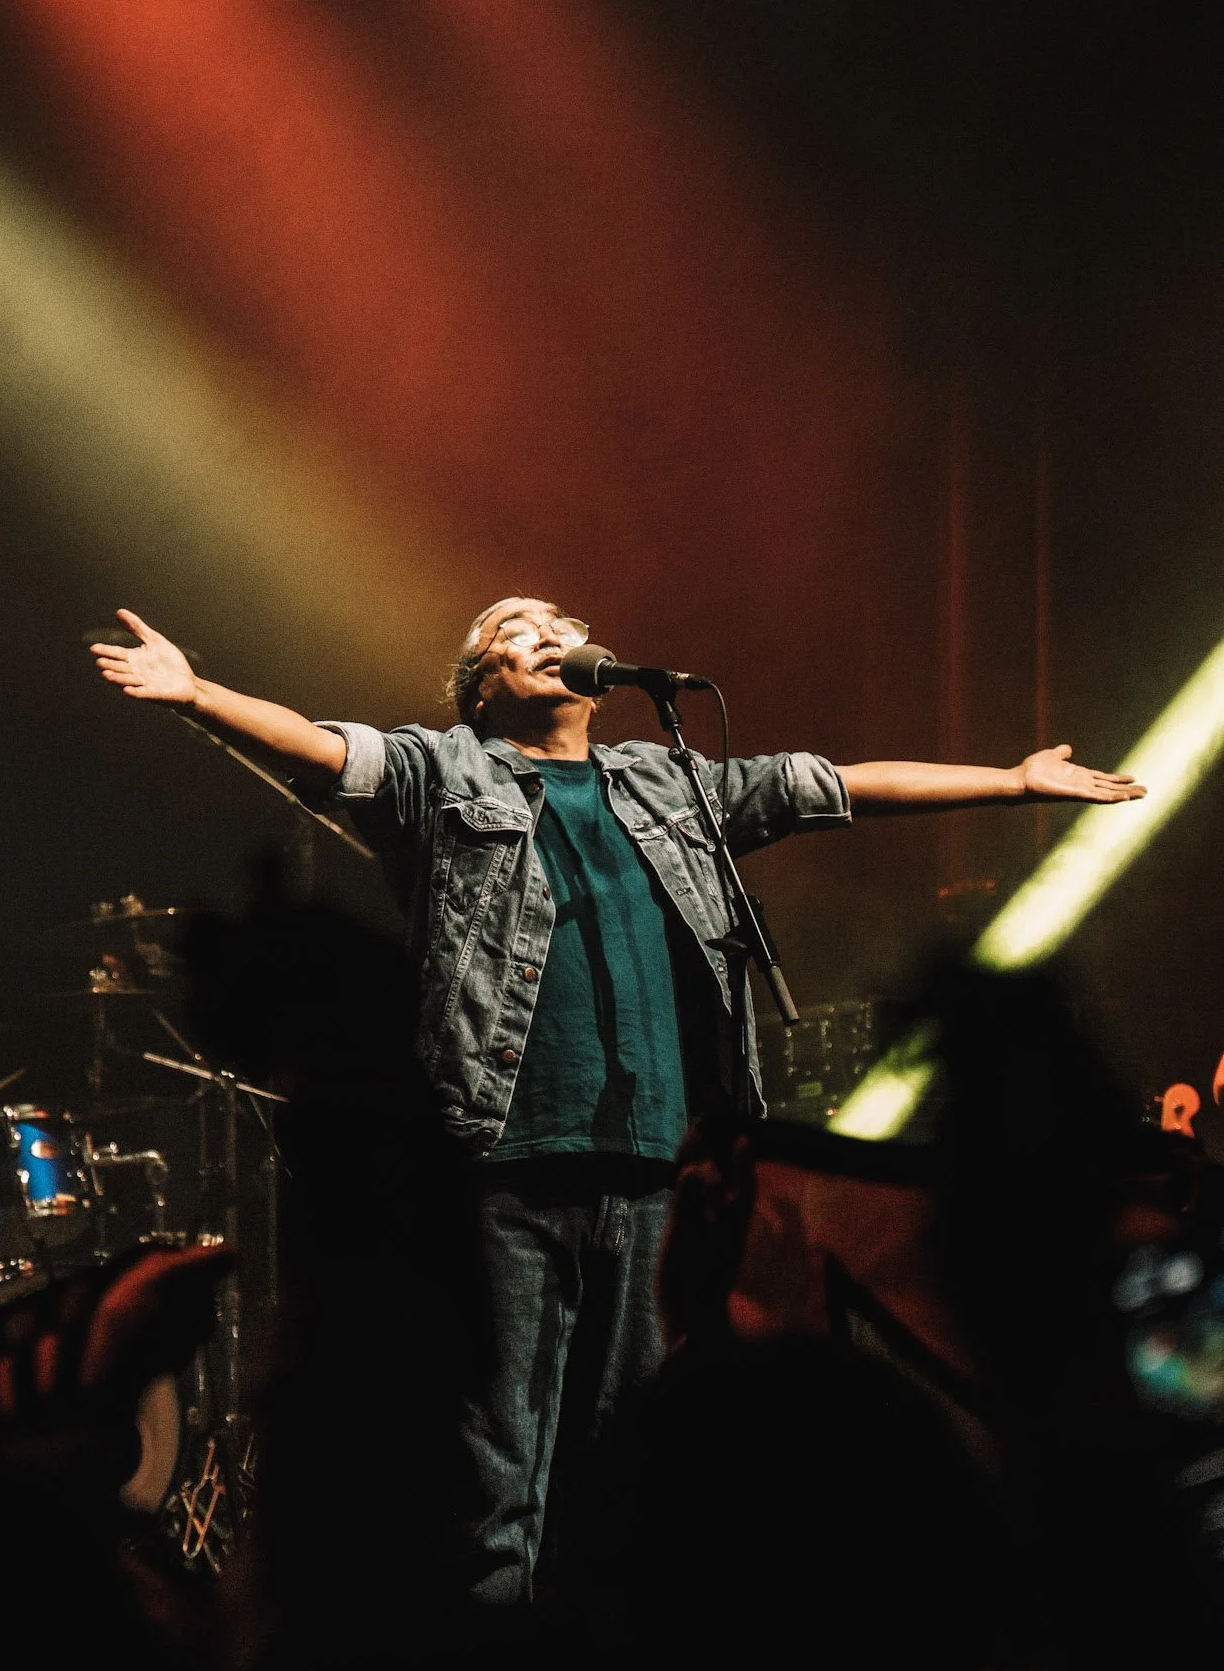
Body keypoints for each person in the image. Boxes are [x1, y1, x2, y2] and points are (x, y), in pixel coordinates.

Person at [93, 598, 1143, 1603]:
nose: (548, 635)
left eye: (561, 624)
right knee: (500, 1469)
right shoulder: (448, 770)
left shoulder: (669, 781)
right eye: (515, 632)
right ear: (483, 689)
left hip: (653, 1168)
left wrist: (1010, 782)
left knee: (619, 1469)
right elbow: (325, 749)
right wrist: (196, 694)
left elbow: (836, 785)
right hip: (506, 1163)